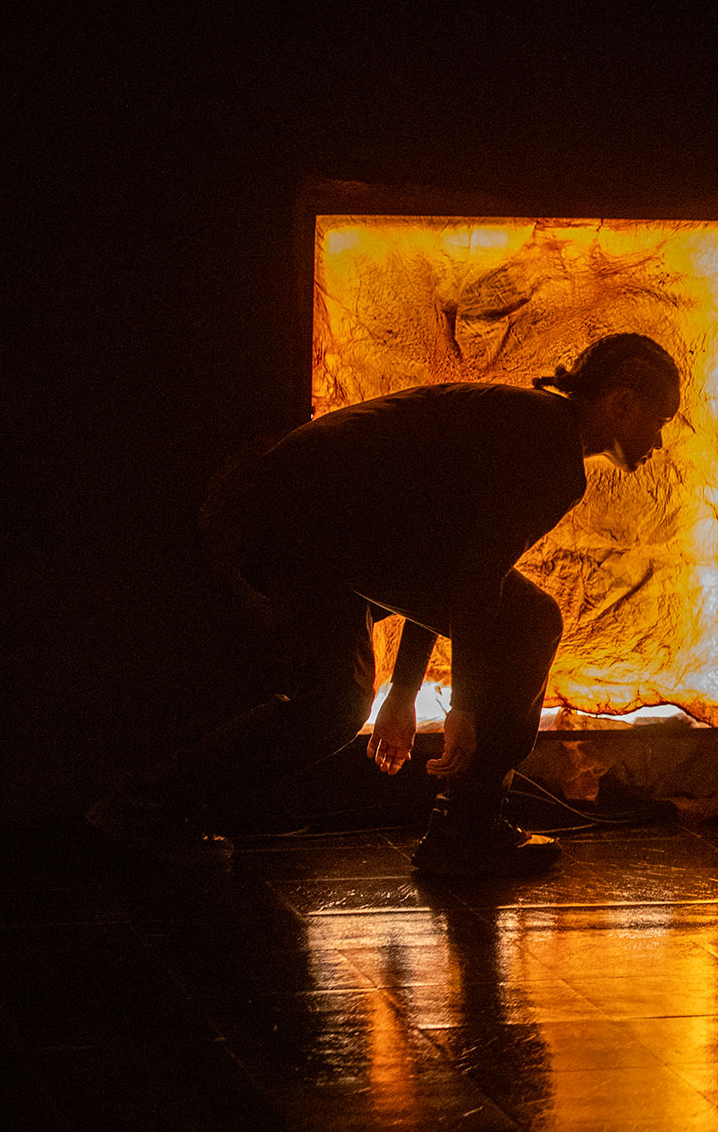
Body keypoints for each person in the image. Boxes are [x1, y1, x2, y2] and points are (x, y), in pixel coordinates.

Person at [88, 333, 681, 877]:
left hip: (295, 517)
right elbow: (472, 583)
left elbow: (448, 568)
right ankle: (466, 830)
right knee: (527, 622)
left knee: (337, 701)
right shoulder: (549, 451)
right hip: (300, 524)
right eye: (658, 421)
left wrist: (401, 694)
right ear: (621, 403)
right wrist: (466, 711)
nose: (657, 441)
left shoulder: (530, 424)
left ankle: (148, 806)